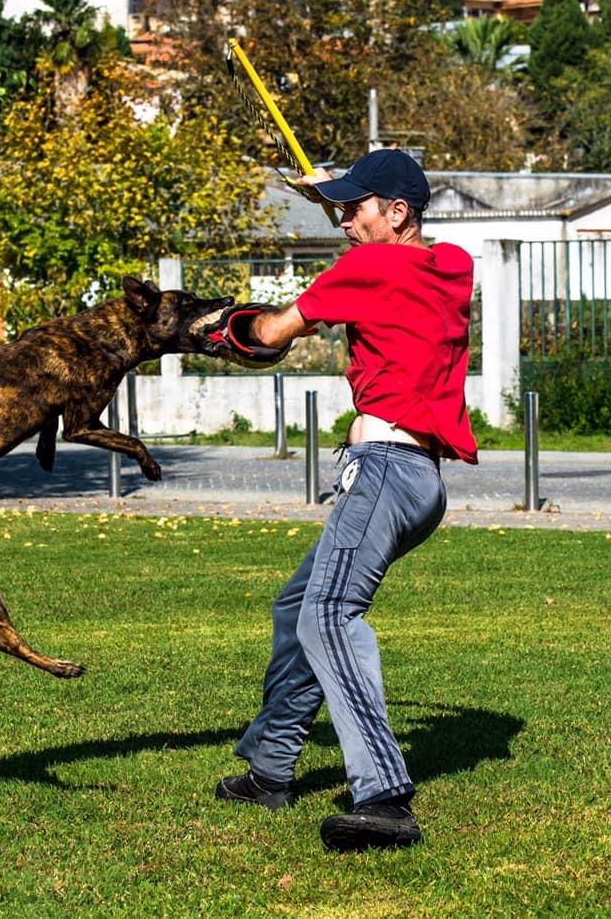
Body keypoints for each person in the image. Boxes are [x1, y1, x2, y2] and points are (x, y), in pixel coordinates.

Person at [205, 148, 478, 852]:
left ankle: (384, 797)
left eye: (357, 209)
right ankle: (270, 768)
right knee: (299, 604)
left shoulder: (371, 266)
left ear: (399, 212)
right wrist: (333, 190)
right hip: (422, 481)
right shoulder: (449, 266)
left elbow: (267, 336)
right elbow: (382, 255)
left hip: (383, 467)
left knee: (329, 613)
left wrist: (221, 328)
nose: (346, 222)